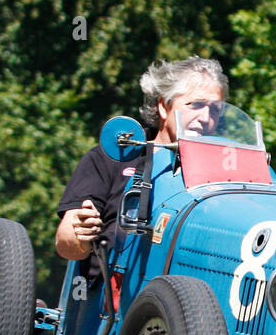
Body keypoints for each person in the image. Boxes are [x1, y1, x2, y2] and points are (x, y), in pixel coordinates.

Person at [55, 56, 228, 261]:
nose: (206, 118)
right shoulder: (116, 155)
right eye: (196, 105)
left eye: (215, 109)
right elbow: (65, 244)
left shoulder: (226, 167)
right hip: (110, 287)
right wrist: (80, 232)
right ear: (164, 106)